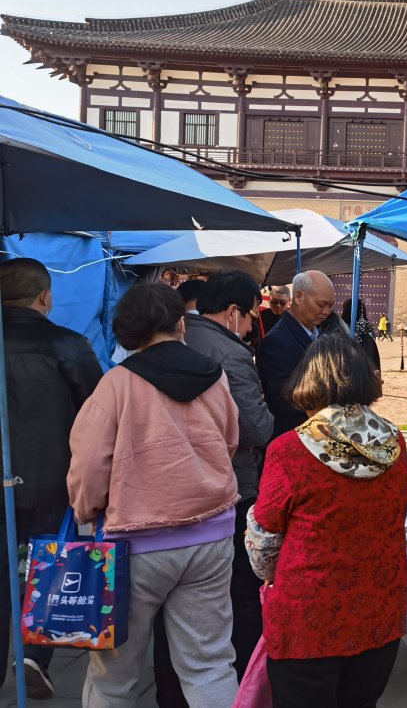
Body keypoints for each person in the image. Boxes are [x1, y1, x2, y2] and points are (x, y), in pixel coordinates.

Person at [68, 282, 240, 706]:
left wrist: (86, 511)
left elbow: (90, 464)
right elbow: (231, 440)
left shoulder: (117, 384)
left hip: (134, 543)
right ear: (181, 322)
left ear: (127, 331)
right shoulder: (214, 377)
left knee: (114, 675)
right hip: (211, 535)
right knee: (210, 664)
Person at [246, 334, 407, 708]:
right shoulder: (395, 443)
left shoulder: (289, 449)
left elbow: (265, 538)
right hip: (380, 609)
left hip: (309, 618)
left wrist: (268, 574)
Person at [0, 258, 102, 699]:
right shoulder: (68, 344)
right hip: (50, 479)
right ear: (45, 296)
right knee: (47, 565)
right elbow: (96, 415)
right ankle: (34, 655)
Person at [181, 271, 273, 681]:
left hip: (178, 485)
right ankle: (245, 673)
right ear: (234, 312)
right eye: (253, 316)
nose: (254, 325)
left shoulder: (181, 338)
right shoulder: (230, 353)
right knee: (240, 586)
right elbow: (256, 427)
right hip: (230, 484)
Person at [257, 271, 336, 438]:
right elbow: (285, 402)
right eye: (322, 305)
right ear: (299, 297)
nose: (327, 311)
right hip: (295, 438)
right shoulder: (277, 341)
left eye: (331, 305)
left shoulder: (320, 334)